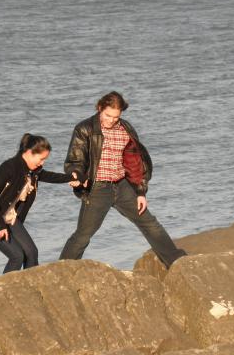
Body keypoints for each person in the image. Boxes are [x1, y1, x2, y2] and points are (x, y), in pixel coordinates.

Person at [59, 91, 186, 268]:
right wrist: (77, 176)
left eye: (116, 117)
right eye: (108, 115)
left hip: (123, 186)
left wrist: (140, 192)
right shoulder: (85, 129)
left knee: (149, 223)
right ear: (100, 108)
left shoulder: (126, 128)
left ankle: (176, 261)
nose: (111, 120)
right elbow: (75, 160)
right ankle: (61, 270)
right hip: (97, 189)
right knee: (83, 235)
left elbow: (136, 163)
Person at [0, 133, 80, 273]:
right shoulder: (9, 168)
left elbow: (50, 176)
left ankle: (31, 284)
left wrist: (72, 178)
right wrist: (0, 226)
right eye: (41, 159)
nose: (42, 163)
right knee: (17, 256)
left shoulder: (32, 171)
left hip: (9, 216)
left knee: (32, 252)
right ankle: (5, 287)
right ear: (29, 153)